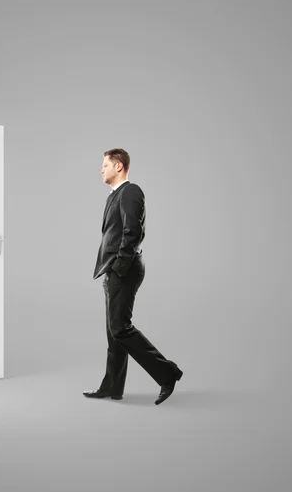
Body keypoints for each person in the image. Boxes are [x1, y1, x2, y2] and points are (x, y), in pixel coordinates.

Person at [84, 148, 183, 405]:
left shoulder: (131, 191)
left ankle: (167, 373)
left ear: (119, 166)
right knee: (113, 332)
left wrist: (119, 265)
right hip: (113, 269)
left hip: (124, 269)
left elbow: (133, 231)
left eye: (105, 164)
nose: (100, 169)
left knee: (120, 328)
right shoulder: (114, 196)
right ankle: (112, 386)